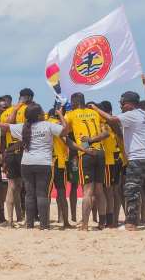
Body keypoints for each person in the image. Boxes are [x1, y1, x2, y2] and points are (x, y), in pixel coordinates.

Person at [90, 91, 145, 230]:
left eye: (122, 103)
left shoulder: (132, 114)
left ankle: (131, 223)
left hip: (137, 159)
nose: (121, 106)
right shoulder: (144, 114)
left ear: (128, 104)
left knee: (131, 190)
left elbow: (112, 120)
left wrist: (96, 109)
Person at [0, 103, 69, 229]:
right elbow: (65, 130)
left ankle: (30, 224)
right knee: (42, 194)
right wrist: (60, 114)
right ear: (39, 115)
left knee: (29, 194)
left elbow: (6, 126)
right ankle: (44, 225)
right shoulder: (48, 125)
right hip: (43, 163)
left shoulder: (23, 127)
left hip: (26, 163)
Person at [65, 93, 109, 231]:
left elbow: (63, 133)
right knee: (99, 190)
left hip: (86, 153)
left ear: (74, 102)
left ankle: (84, 225)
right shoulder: (94, 113)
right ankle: (102, 223)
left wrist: (82, 144)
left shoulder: (71, 114)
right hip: (101, 152)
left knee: (88, 191)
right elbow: (106, 133)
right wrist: (92, 139)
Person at [0, 88, 34, 226]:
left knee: (13, 186)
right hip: (24, 150)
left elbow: (5, 128)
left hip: (10, 150)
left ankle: (12, 219)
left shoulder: (6, 112)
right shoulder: (30, 110)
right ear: (30, 97)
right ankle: (26, 219)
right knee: (26, 186)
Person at [99, 101, 123, 228]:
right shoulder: (116, 122)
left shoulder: (105, 125)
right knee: (115, 191)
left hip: (109, 160)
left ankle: (110, 221)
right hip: (118, 159)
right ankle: (114, 219)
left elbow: (101, 138)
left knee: (108, 191)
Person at [48, 108, 71, 228]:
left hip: (48, 161)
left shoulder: (46, 122)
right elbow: (66, 129)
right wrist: (61, 115)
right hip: (59, 162)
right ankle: (65, 221)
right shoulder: (56, 123)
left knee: (46, 193)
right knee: (61, 193)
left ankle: (47, 220)